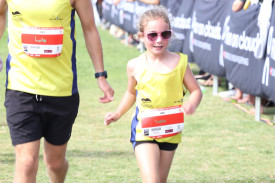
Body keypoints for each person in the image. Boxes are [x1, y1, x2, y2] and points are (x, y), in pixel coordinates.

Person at [0, 0, 114, 182]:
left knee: (55, 164)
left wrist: (100, 75)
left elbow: (90, 28)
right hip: (21, 87)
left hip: (61, 89)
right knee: (26, 162)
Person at [104, 6, 202, 183]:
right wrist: (117, 114)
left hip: (171, 130)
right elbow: (131, 93)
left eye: (165, 34)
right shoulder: (134, 65)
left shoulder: (180, 62)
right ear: (141, 36)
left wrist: (192, 104)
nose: (159, 40)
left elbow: (196, 91)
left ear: (170, 35)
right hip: (144, 130)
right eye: (152, 35)